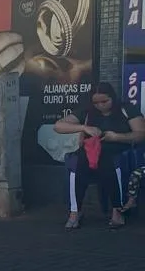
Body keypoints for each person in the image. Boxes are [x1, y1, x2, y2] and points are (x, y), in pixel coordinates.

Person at [54, 82, 145, 229]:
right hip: (91, 151)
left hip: (118, 149)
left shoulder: (127, 109)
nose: (100, 106)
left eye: (104, 101)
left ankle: (117, 209)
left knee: (109, 163)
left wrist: (116, 137)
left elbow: (141, 134)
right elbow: (58, 126)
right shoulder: (87, 111)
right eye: (96, 103)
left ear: (112, 98)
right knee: (76, 164)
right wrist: (84, 127)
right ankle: (75, 211)